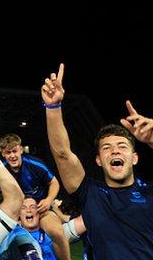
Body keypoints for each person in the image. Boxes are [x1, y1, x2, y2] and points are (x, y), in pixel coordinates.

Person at [41, 63, 153, 259]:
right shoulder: (89, 194)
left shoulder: (149, 193)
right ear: (99, 160)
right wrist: (53, 107)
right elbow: (62, 154)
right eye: (107, 148)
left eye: (122, 146)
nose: (115, 151)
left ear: (134, 158)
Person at [0, 133, 70, 260]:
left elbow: (54, 182)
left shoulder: (35, 164)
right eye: (8, 152)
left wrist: (48, 200)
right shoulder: (1, 169)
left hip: (38, 209)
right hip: (14, 213)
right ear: (3, 154)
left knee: (57, 232)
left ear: (21, 149)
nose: (12, 156)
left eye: (15, 151)